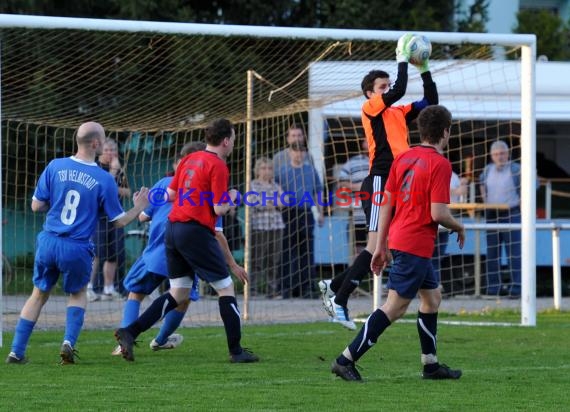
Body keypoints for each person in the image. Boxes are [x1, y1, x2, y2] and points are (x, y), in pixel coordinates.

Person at [330, 105, 465, 382]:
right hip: (415, 243)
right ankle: (346, 359)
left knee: (432, 297)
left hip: (402, 238)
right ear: (445, 132)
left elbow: (386, 203)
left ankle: (431, 365)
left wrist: (381, 244)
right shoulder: (440, 163)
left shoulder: (402, 158)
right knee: (394, 307)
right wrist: (459, 225)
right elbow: (437, 213)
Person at [319, 34, 439, 329]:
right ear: (370, 94)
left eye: (387, 86)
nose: (387, 90)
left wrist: (424, 68)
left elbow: (431, 102)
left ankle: (333, 286)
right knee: (375, 247)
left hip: (394, 183)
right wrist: (401, 57)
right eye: (381, 87)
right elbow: (398, 89)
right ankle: (340, 301)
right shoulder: (371, 108)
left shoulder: (397, 112)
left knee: (381, 247)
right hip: (378, 181)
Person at [114, 118, 258, 363]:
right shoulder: (219, 166)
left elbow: (170, 194)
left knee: (179, 291)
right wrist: (233, 197)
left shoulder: (189, 160)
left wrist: (146, 207)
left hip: (173, 229)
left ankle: (130, 331)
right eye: (233, 138)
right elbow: (219, 208)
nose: (233, 142)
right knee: (225, 287)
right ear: (225, 141)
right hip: (195, 231)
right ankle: (236, 351)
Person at [6, 122, 149, 365]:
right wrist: (139, 206)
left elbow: (36, 205)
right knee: (78, 293)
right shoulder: (103, 179)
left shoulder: (55, 166)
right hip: (76, 246)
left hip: (48, 241)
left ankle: (16, 352)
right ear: (95, 144)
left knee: (38, 294)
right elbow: (119, 221)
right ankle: (68, 343)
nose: (104, 144)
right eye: (103, 140)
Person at [112, 142, 205, 355]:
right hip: (186, 251)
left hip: (156, 251)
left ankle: (123, 342)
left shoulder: (164, 182)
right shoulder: (204, 188)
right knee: (182, 298)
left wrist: (139, 204)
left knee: (136, 293)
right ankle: (161, 340)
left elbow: (144, 216)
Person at [275, 141, 324, 299]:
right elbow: (275, 190)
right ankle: (287, 287)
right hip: (289, 213)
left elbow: (317, 192)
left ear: (304, 153)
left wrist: (320, 212)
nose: (298, 154)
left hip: (306, 213)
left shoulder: (311, 171)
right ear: (290, 153)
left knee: (307, 251)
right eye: (295, 151)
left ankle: (307, 287)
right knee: (288, 251)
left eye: (301, 151)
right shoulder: (282, 172)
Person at [87, 138, 132, 301]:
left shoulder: (120, 169)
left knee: (114, 253)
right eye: (106, 150)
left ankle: (108, 288)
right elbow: (100, 189)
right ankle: (89, 287)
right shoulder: (95, 167)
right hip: (98, 217)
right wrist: (112, 173)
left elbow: (127, 192)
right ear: (100, 151)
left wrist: (116, 175)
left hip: (116, 217)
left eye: (112, 150)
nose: (110, 153)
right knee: (96, 252)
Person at [479, 140, 522, 298]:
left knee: (514, 254)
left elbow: (534, 184)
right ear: (491, 156)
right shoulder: (487, 169)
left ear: (508, 153)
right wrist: (485, 200)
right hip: (491, 215)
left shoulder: (516, 169)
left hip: (511, 214)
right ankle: (493, 289)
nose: (500, 157)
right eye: (496, 154)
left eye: (502, 153)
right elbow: (481, 182)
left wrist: (522, 201)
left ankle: (517, 289)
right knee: (492, 254)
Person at [249, 157, 285, 297]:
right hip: (259, 227)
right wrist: (272, 202)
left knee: (273, 259)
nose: (267, 171)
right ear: (257, 170)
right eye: (263, 168)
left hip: (276, 226)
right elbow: (254, 203)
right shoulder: (252, 185)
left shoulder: (276, 185)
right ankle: (252, 288)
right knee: (256, 259)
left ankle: (272, 289)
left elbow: (284, 201)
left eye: (269, 168)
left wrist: (269, 202)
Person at [431, 171, 468, 287]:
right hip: (432, 218)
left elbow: (461, 197)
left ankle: (434, 284)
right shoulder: (427, 171)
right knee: (427, 255)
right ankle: (429, 285)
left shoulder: (453, 175)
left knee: (437, 255)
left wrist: (462, 187)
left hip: (447, 217)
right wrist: (456, 190)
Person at [336, 139, 370, 254]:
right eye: (367, 140)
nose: (370, 142)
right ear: (362, 143)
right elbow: (342, 183)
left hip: (380, 212)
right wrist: (361, 186)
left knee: (377, 245)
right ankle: (361, 271)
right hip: (358, 214)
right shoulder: (352, 162)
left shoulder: (383, 161)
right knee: (359, 247)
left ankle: (376, 271)